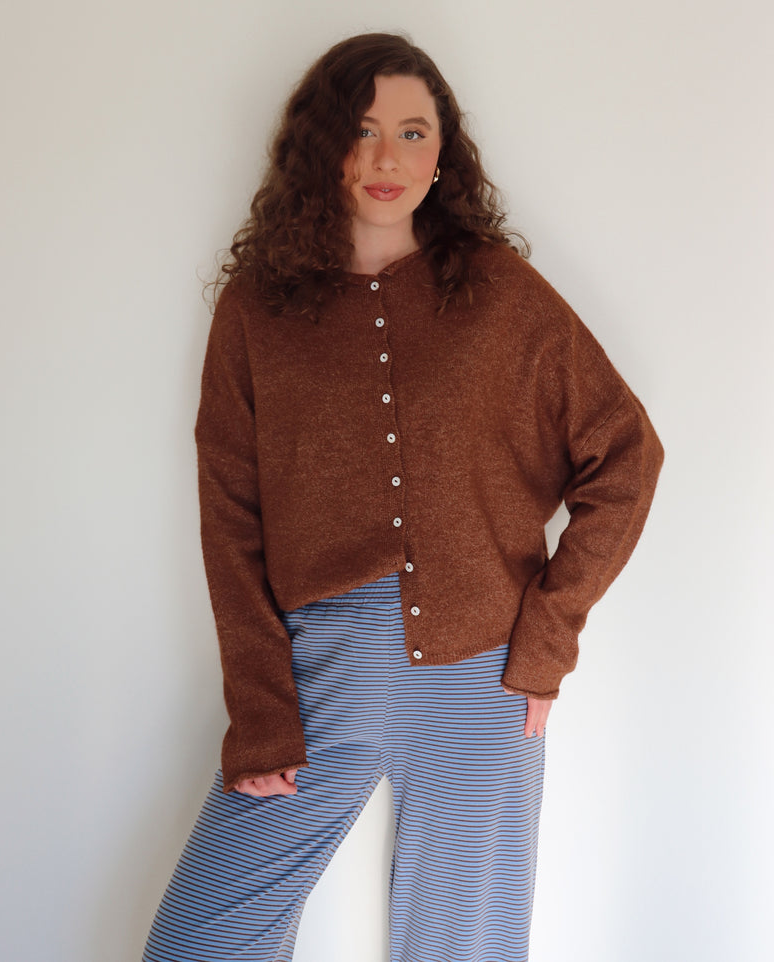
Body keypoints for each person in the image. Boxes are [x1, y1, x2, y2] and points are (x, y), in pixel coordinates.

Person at [142, 32, 663, 962]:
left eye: (414, 133)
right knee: (202, 941)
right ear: (322, 144)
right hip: (326, 664)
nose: (388, 157)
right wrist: (262, 706)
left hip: (483, 667)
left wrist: (546, 640)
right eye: (363, 129)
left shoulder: (501, 295)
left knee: (465, 945)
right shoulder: (259, 310)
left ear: (442, 154)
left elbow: (625, 456)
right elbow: (230, 515)